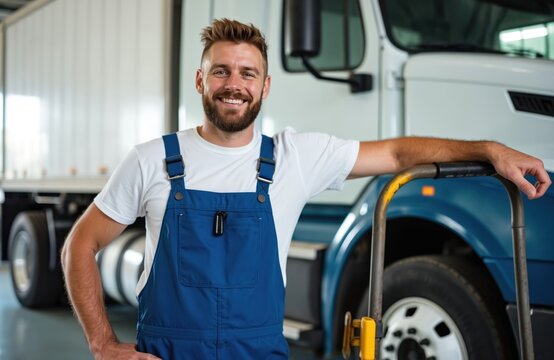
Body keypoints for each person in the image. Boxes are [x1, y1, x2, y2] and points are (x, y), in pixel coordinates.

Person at [61, 18, 551, 360]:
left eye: (247, 73)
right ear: (200, 80)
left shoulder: (295, 157)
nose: (235, 84)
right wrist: (103, 344)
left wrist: (489, 149)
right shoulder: (152, 159)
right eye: (221, 71)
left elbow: (399, 154)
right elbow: (80, 245)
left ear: (266, 86)